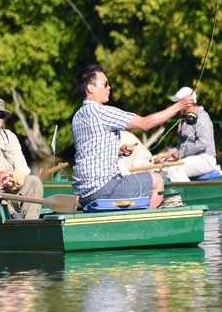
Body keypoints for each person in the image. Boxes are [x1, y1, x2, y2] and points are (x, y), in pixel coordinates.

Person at [72, 64, 194, 209]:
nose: (109, 87)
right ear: (91, 88)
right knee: (157, 180)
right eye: (105, 84)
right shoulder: (102, 112)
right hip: (104, 188)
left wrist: (117, 151)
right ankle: (146, 223)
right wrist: (179, 106)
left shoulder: (77, 117)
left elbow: (90, 149)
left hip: (82, 193)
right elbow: (145, 123)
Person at [153, 87, 217, 182]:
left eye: (179, 102)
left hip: (206, 158)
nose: (176, 105)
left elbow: (203, 143)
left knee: (174, 168)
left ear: (188, 102)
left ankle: (188, 195)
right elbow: (180, 148)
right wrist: (165, 155)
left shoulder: (202, 117)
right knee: (159, 167)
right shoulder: (185, 119)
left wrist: (180, 153)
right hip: (188, 158)